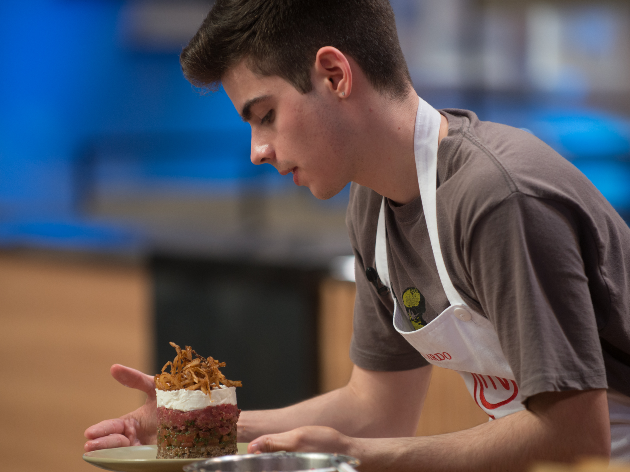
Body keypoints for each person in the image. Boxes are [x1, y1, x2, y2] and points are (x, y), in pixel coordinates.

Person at [84, 1, 630, 470]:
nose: (257, 149)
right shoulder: (373, 204)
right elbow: (377, 409)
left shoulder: (497, 198)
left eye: (266, 115)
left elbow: (575, 438)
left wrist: (362, 457)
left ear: (335, 75)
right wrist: (203, 423)